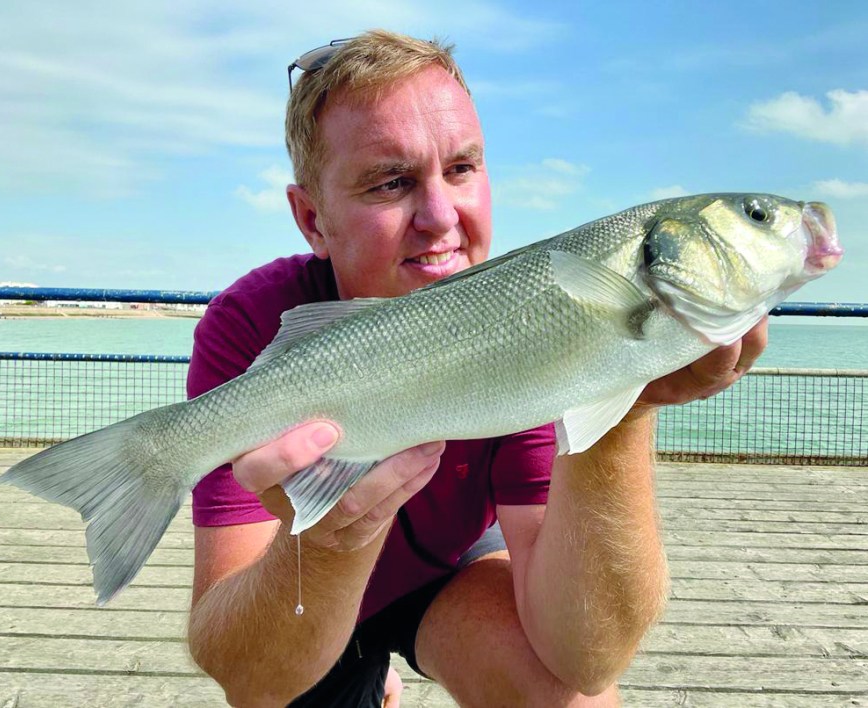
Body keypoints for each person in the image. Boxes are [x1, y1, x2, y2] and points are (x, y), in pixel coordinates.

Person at [186, 30, 767, 707]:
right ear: (312, 218)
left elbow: (586, 658)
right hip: (294, 585)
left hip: (438, 573)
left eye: (461, 169)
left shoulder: (535, 316)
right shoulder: (254, 324)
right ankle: (368, 676)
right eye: (391, 182)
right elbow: (248, 681)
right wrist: (324, 548)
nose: (441, 218)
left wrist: (625, 389)